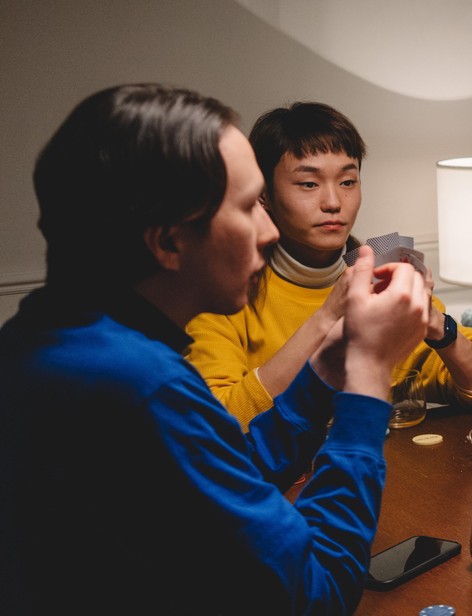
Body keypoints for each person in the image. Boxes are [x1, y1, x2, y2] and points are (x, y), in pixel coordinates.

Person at [0, 84, 431, 613]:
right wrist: (367, 373)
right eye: (250, 206)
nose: (269, 230)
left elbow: (221, 470)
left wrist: (326, 369)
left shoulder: (45, 335)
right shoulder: (139, 387)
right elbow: (315, 597)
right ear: (169, 241)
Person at [185, 102, 472, 432]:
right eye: (309, 184)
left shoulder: (382, 277)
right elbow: (220, 425)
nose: (333, 202)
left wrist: (436, 323)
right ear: (263, 194)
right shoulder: (224, 294)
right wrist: (328, 315)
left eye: (348, 181)